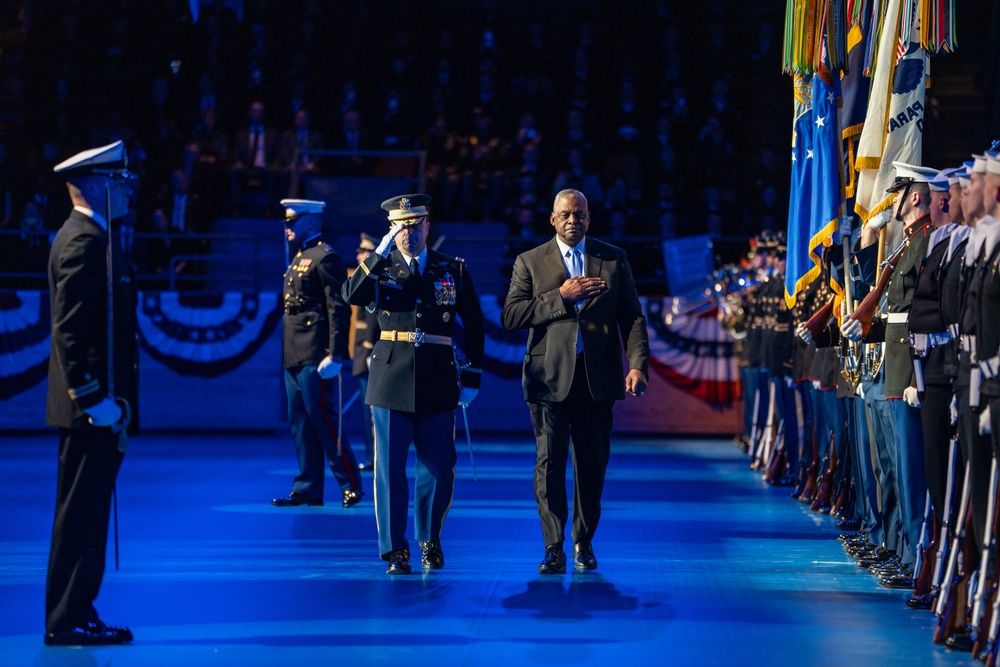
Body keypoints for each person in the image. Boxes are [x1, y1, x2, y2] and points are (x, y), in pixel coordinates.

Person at [500, 188, 650, 574]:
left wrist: (637, 364)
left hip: (597, 380)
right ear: (552, 219)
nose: (572, 221)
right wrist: (560, 297)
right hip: (547, 380)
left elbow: (631, 316)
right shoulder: (530, 261)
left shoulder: (613, 258)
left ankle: (583, 542)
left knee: (591, 465)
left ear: (589, 218)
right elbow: (512, 316)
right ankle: (553, 545)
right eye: (565, 215)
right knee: (549, 464)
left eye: (579, 214)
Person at [341, 193, 485, 575]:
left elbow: (474, 322)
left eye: (415, 224)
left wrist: (471, 375)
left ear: (427, 225)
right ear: (392, 230)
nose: (409, 233)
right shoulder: (380, 267)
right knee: (388, 469)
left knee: (439, 466)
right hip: (389, 376)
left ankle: (430, 539)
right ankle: (394, 549)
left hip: (438, 375)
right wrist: (377, 254)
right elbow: (350, 295)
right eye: (401, 226)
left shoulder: (449, 268)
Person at [44, 140, 137, 646]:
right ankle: (68, 617)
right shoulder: (84, 242)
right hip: (90, 410)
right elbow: (70, 332)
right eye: (119, 182)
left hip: (97, 409)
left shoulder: (93, 237)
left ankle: (76, 608)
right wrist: (91, 397)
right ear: (99, 186)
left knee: (85, 513)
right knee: (80, 515)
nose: (126, 190)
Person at [271, 199, 364, 509]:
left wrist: (336, 354)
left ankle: (350, 483)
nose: (287, 227)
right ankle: (307, 486)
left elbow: (339, 309)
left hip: (315, 349)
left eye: (293, 221)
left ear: (311, 221)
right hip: (294, 349)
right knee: (299, 419)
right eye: (287, 221)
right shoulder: (299, 257)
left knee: (323, 418)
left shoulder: (326, 258)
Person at [350, 232, 379, 470]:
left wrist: (369, 348)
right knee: (366, 412)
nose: (359, 256)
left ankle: (376, 458)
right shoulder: (361, 277)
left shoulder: (374, 278)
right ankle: (371, 457)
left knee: (373, 414)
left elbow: (372, 317)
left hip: (369, 352)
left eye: (364, 251)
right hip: (360, 352)